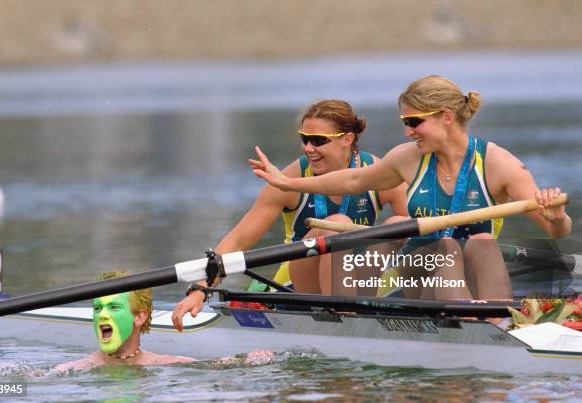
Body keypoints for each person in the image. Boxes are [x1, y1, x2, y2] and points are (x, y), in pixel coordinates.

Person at [250, 76, 572, 301]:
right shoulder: (407, 159)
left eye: (414, 122)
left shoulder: (499, 164)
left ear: (446, 117)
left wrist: (556, 216)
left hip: (476, 279)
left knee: (482, 241)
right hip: (421, 276)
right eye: (405, 122)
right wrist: (288, 182)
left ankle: (491, 322)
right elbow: (353, 180)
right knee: (430, 241)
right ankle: (350, 309)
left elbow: (557, 231)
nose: (407, 132)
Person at [172, 99, 408, 331]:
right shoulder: (289, 179)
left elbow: (428, 230)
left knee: (403, 224)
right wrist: (200, 289)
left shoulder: (377, 173)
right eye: (304, 139)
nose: (308, 148)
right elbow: (237, 241)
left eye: (318, 141)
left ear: (347, 139)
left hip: (359, 278)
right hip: (296, 286)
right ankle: (346, 320)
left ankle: (431, 309)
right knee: (336, 225)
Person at [57, 272, 272, 371]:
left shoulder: (161, 364)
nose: (103, 315)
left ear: (140, 316)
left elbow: (215, 366)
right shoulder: (72, 369)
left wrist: (249, 360)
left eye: (113, 308)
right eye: (97, 308)